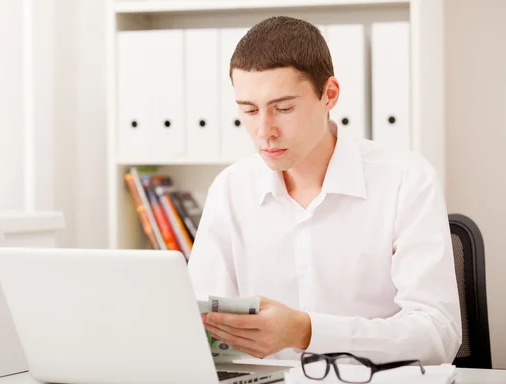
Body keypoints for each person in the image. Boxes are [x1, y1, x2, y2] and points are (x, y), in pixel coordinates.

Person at [187, 16, 462, 364]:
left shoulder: (405, 180)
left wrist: (307, 331)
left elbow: (438, 336)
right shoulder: (230, 188)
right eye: (250, 110)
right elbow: (200, 329)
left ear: (329, 94)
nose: (264, 131)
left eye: (283, 108)